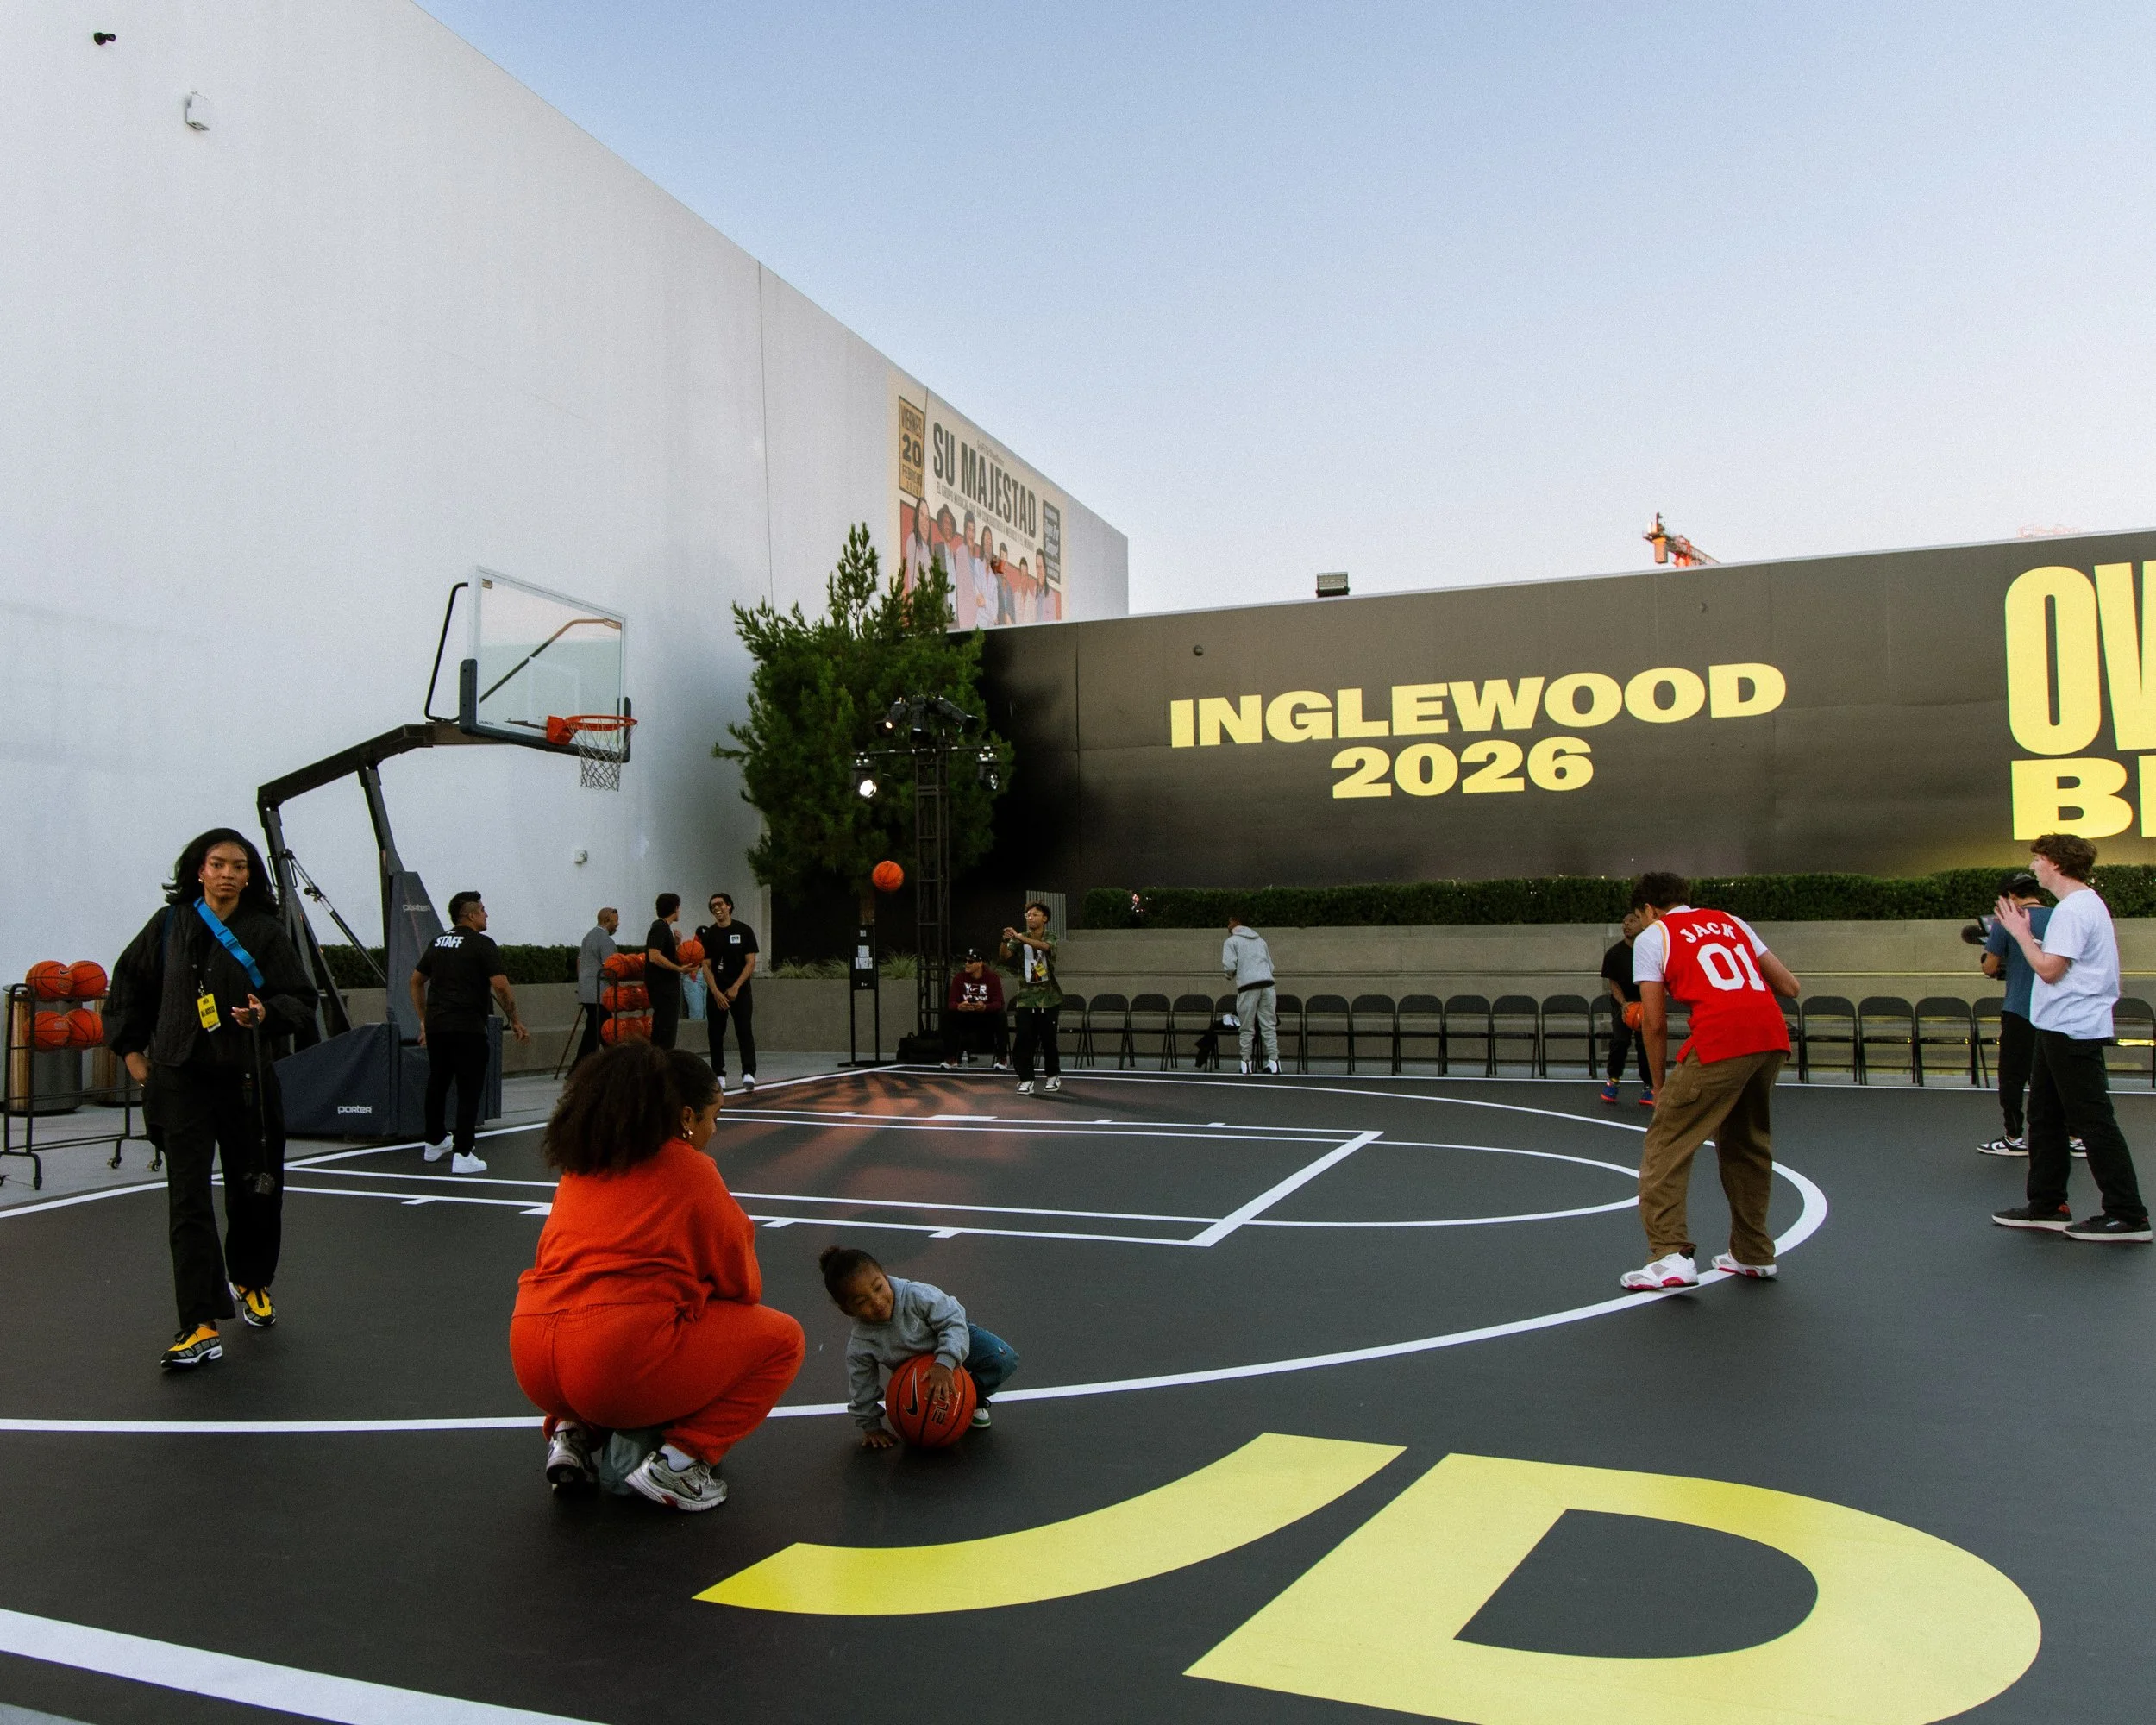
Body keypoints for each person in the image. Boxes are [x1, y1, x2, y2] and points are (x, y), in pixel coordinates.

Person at [510, 1043, 805, 1510]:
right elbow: (743, 1284)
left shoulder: (581, 1166)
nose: (714, 1128)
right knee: (783, 1340)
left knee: (605, 1333)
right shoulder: (691, 1170)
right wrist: (697, 1291)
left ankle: (572, 1435)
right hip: (612, 1362)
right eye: (713, 1116)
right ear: (686, 1117)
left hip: (534, 1358)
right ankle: (680, 1465)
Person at [105, 829, 317, 1369]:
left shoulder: (265, 931)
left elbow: (299, 997)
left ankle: (250, 1279)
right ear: (197, 870)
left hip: (246, 1078)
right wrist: (135, 1058)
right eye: (217, 864)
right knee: (188, 1200)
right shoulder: (169, 925)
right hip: (179, 1080)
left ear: (250, 876)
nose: (228, 874)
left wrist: (266, 1014)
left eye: (239, 866)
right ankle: (198, 1322)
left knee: (257, 1188)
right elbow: (128, 986)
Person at [1621, 871, 1803, 1290]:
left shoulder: (1654, 936)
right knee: (1747, 1144)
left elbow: (1653, 1022)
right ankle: (1753, 1253)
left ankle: (1670, 1255)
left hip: (1722, 1040)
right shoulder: (1731, 921)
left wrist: (1660, 1084)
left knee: (1665, 1141)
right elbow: (1790, 986)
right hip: (1770, 1037)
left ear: (1649, 909)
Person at [1990, 835, 2152, 1243]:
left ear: (2057, 864)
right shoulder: (2075, 907)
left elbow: (2049, 970)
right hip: (2057, 1026)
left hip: (2072, 1029)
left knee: (2093, 1121)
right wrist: (2031, 937)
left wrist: (2019, 933)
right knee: (2044, 1117)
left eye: (2040, 859)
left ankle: (2128, 1214)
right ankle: (2047, 1205)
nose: (2035, 868)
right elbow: (2059, 964)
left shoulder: (2076, 909)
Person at [818, 1245, 1018, 1444]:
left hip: (951, 1337)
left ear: (885, 1277)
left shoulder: (916, 1295)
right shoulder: (862, 1344)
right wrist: (871, 1427)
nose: (877, 1302)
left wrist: (944, 1363)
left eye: (879, 1288)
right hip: (917, 1371)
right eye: (862, 1302)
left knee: (1002, 1358)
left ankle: (970, 1400)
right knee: (920, 1409)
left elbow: (953, 1321)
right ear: (848, 1311)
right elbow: (862, 1387)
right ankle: (945, 1405)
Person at [410, 891, 530, 1175]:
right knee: (469, 1088)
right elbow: (500, 986)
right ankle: (463, 1152)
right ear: (471, 915)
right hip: (466, 1026)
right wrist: (515, 1019)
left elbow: (415, 982)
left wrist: (424, 1021)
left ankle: (435, 1140)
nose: (486, 915)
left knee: (437, 1083)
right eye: (483, 910)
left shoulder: (438, 942)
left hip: (438, 1025)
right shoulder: (482, 944)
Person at [1977, 875, 2058, 1157]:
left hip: (2020, 1009)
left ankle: (2013, 1137)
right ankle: (2074, 1136)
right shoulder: (2059, 916)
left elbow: (1990, 967)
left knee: (2012, 1076)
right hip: (2055, 1012)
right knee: (2056, 1076)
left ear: (2011, 895)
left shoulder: (2006, 923)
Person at [696, 892, 759, 1094]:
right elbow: (706, 966)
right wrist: (715, 991)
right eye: (713, 906)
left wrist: (736, 986)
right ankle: (718, 1075)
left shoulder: (744, 930)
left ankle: (748, 1073)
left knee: (744, 1031)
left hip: (740, 991)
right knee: (715, 1033)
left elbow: (750, 963)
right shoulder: (709, 935)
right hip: (717, 992)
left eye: (720, 904)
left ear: (729, 906)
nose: (716, 908)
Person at [1001, 901, 1063, 1094]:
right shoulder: (1020, 938)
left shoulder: (1050, 937)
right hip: (1026, 997)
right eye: (1028, 914)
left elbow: (1045, 947)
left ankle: (1053, 1076)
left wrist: (1021, 938)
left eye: (1035, 914)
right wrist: (1005, 940)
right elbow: (1004, 956)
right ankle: (1026, 1079)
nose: (1030, 917)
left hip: (1048, 997)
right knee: (1024, 1038)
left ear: (1044, 918)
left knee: (1048, 1039)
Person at [1599, 909, 1654, 1106]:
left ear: (1643, 924)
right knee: (1621, 1041)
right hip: (1622, 1002)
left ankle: (1650, 1086)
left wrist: (1649, 1003)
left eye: (1632, 920)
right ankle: (1613, 1080)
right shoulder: (1614, 953)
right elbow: (1613, 984)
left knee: (1645, 1044)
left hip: (1647, 1001)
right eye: (1624, 922)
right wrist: (1624, 1005)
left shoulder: (1651, 950)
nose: (1627, 925)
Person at [1223, 913, 1280, 1076]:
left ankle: (1246, 1062)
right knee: (1269, 1024)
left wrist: (1230, 974)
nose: (1228, 925)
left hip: (1248, 986)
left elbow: (1229, 967)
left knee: (1246, 1026)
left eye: (1230, 921)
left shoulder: (1231, 942)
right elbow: (1271, 966)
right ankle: (1274, 1061)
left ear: (1236, 922)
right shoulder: (1261, 941)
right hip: (1268, 984)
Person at [941, 948, 1008, 1069]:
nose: (966, 964)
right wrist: (960, 1006)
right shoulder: (959, 978)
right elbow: (951, 1003)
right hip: (966, 1015)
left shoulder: (992, 978)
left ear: (980, 963)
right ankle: (951, 1058)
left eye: (970, 961)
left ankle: (1002, 1058)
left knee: (1001, 1016)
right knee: (948, 1015)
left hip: (985, 1016)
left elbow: (999, 1003)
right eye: (966, 961)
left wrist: (985, 1007)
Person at [573, 907, 620, 1065]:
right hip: (600, 993)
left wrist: (582, 980)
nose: (617, 925)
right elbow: (610, 968)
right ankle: (583, 1065)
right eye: (616, 921)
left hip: (586, 990)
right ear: (607, 920)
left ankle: (610, 1062)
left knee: (597, 1028)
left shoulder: (588, 937)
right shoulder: (606, 940)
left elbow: (579, 961)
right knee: (602, 1029)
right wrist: (616, 986)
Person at [645, 893, 687, 1049]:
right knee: (665, 1029)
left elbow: (663, 954)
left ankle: (661, 1061)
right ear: (675, 908)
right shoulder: (660, 927)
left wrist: (675, 944)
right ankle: (662, 1062)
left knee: (665, 1027)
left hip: (665, 987)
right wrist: (679, 968)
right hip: (664, 988)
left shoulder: (664, 928)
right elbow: (654, 956)